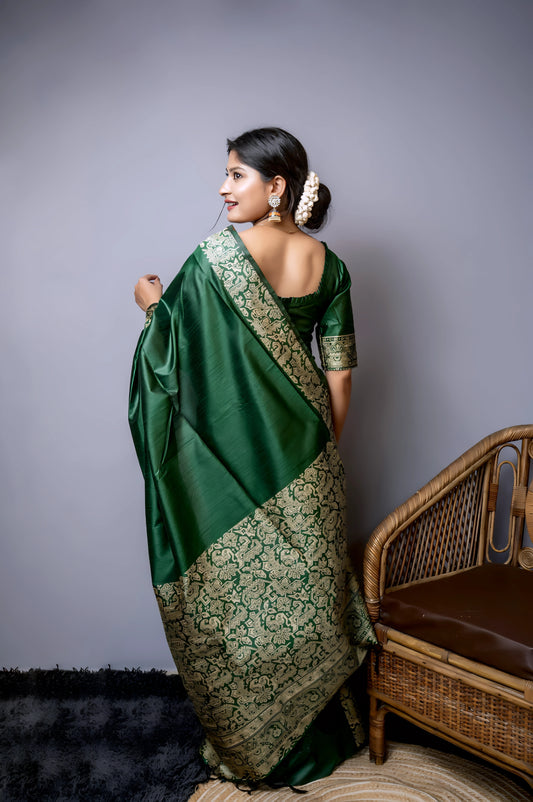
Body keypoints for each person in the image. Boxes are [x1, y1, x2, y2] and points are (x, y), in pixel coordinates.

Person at [129, 127, 376, 787]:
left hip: (238, 460)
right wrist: (323, 453)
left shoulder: (218, 257)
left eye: (236, 175)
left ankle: (256, 746)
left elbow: (174, 354)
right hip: (312, 459)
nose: (221, 187)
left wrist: (151, 306)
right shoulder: (332, 266)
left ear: (277, 186)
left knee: (242, 608)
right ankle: (321, 744)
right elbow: (342, 375)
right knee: (308, 601)